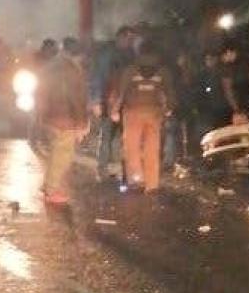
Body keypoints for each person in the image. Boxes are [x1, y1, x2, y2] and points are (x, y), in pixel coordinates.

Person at [111, 40, 177, 193]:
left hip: (132, 112)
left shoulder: (131, 70)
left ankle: (136, 178)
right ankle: (152, 183)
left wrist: (115, 110)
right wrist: (169, 108)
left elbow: (121, 91)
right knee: (152, 148)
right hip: (154, 113)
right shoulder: (163, 71)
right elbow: (170, 92)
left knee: (132, 147)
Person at [38, 37, 88, 206]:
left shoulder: (51, 66)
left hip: (49, 115)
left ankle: (48, 185)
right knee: (63, 155)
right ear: (77, 55)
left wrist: (41, 114)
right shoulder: (71, 70)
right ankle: (51, 190)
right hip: (64, 117)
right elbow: (75, 97)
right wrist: (81, 121)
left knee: (55, 152)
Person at [92, 26, 136, 182]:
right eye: (127, 38)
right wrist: (96, 100)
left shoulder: (131, 54)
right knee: (106, 136)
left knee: (121, 138)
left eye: (131, 39)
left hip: (125, 101)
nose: (130, 41)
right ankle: (102, 169)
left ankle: (118, 170)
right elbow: (98, 77)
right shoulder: (107, 55)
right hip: (108, 99)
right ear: (119, 37)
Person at [219, 42, 249, 124]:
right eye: (234, 54)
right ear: (228, 52)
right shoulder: (225, 68)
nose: (235, 56)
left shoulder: (226, 67)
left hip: (224, 107)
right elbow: (228, 91)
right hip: (225, 108)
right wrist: (236, 109)